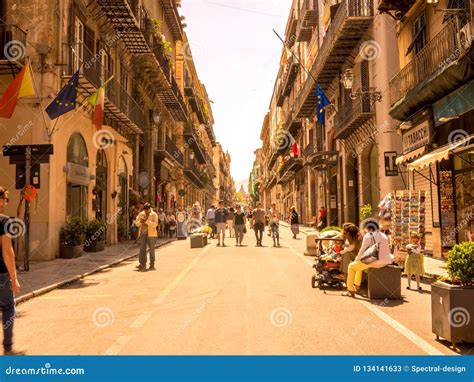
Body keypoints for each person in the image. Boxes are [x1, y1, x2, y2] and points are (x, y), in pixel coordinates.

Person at [0, 186, 25, 355]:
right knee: (8, 307)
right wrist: (13, 277)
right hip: (1, 274)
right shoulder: (4, 221)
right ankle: (8, 347)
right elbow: (7, 251)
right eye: (6, 198)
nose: (6, 202)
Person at [342, 219, 393, 297]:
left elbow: (362, 250)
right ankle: (357, 285)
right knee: (359, 265)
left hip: (374, 261)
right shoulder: (383, 235)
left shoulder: (368, 236)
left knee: (351, 266)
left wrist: (357, 258)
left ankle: (350, 290)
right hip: (386, 261)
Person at [134, 203, 158, 271]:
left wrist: (147, 221)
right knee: (142, 250)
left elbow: (155, 224)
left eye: (147, 210)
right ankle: (142, 264)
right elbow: (136, 223)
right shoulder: (141, 214)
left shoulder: (154, 214)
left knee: (151, 250)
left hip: (151, 234)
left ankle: (152, 264)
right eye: (145, 210)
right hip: (143, 234)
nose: (146, 211)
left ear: (149, 208)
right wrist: (141, 222)